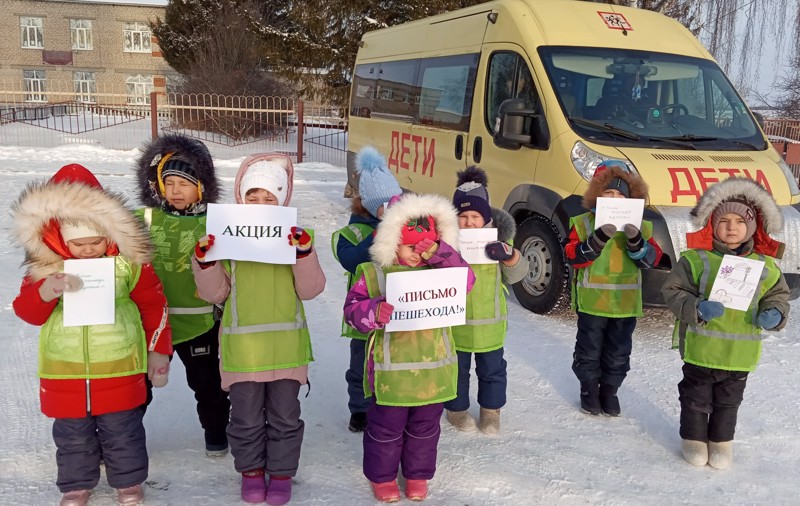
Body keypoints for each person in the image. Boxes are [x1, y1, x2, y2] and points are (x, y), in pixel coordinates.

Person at [12, 164, 173, 506]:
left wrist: (158, 352)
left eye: (95, 241)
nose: (87, 250)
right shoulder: (45, 269)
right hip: (65, 370)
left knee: (123, 432)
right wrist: (45, 292)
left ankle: (128, 482)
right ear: (58, 237)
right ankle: (76, 484)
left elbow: (153, 305)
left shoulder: (130, 263)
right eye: (78, 243)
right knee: (72, 435)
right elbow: (28, 313)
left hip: (119, 366)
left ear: (109, 232)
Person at [191, 153, 326, 505]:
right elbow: (216, 293)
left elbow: (310, 290)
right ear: (241, 197)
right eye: (253, 196)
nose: (261, 204)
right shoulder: (227, 240)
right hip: (243, 351)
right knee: (246, 418)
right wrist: (205, 261)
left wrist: (304, 254)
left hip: (286, 348)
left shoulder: (298, 238)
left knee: (285, 417)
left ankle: (281, 474)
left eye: (270, 198)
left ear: (282, 201)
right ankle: (251, 472)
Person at [343, 192, 476, 502]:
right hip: (392, 376)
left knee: (425, 429)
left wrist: (440, 253)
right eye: (410, 246)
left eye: (425, 246)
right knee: (385, 430)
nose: (417, 253)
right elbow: (352, 311)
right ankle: (382, 476)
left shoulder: (441, 274)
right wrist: (373, 311)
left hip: (433, 374)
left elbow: (466, 281)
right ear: (391, 242)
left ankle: (417, 475)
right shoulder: (375, 274)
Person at [661, 177, 790, 470]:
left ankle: (721, 443)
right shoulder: (696, 260)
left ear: (753, 226)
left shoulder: (765, 265)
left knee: (728, 402)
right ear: (712, 224)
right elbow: (673, 290)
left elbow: (778, 295)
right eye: (724, 220)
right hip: (701, 348)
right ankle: (693, 439)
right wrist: (696, 306)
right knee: (694, 398)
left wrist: (775, 312)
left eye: (740, 221)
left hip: (738, 354)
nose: (732, 227)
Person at [135, 133, 231, 457]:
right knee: (137, 388)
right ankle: (124, 440)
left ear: (202, 185)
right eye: (169, 182)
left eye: (185, 183)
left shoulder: (218, 223)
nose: (175, 190)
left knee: (209, 387)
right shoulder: (143, 219)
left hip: (199, 323)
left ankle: (217, 437)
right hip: (149, 325)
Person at [564, 160, 662, 416]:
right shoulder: (582, 223)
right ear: (597, 195)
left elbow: (651, 260)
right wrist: (595, 240)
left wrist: (636, 241)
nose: (615, 198)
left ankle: (610, 389)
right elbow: (573, 255)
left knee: (618, 350)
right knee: (589, 348)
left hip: (624, 304)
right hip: (593, 302)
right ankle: (588, 389)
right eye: (608, 193)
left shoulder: (641, 227)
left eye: (621, 194)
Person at [444, 166, 529, 434]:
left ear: (487, 217)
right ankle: (456, 410)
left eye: (475, 216)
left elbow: (517, 275)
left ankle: (491, 412)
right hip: (456, 324)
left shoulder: (501, 241)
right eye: (463, 216)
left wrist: (510, 255)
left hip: (490, 324)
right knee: (457, 370)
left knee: (492, 371)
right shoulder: (447, 243)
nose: (469, 222)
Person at [332, 145, 402, 433]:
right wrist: (379, 235)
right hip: (364, 312)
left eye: (397, 201)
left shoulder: (405, 225)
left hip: (397, 311)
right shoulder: (354, 231)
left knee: (393, 359)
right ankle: (359, 409)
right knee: (361, 362)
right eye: (386, 204)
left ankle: (390, 403)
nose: (393, 209)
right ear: (371, 205)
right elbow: (349, 259)